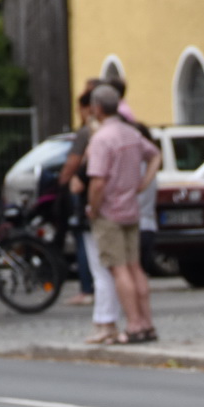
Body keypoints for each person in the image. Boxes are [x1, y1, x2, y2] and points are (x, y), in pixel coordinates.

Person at [84, 84, 160, 344]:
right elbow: (155, 155)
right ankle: (147, 323)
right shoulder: (131, 133)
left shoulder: (102, 139)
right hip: (132, 209)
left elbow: (97, 182)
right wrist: (143, 183)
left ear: (96, 108)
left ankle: (135, 325)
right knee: (135, 267)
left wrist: (92, 209)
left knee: (119, 270)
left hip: (110, 212)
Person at [60, 87, 99, 308]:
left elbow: (74, 162)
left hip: (83, 189)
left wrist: (62, 182)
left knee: (84, 240)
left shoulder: (87, 132)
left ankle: (87, 288)